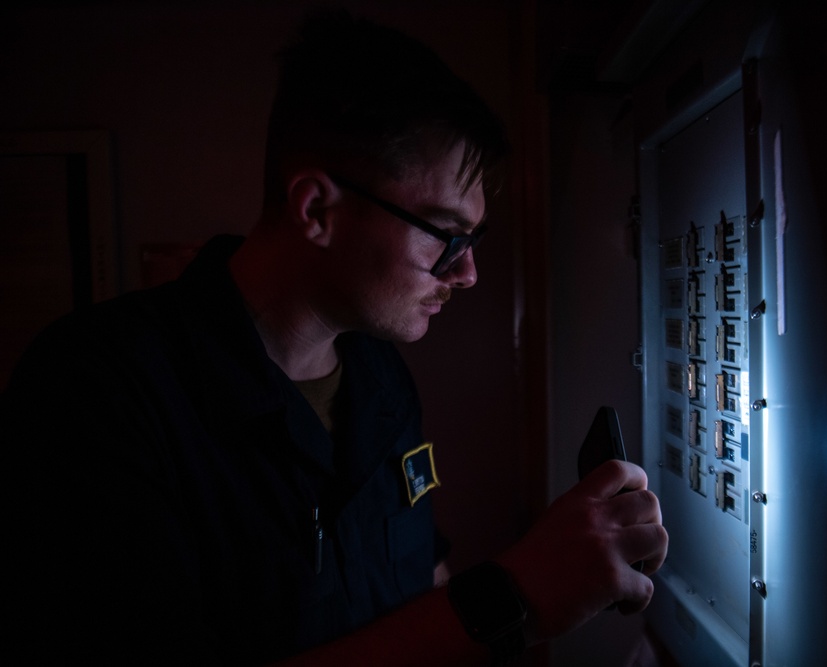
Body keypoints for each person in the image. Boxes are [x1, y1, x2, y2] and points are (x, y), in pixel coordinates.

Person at [1, 8, 668, 666]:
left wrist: (548, 585)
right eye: (445, 234)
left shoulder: (381, 381)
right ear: (317, 210)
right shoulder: (97, 392)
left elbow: (421, 583)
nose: (466, 273)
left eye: (474, 239)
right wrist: (512, 593)